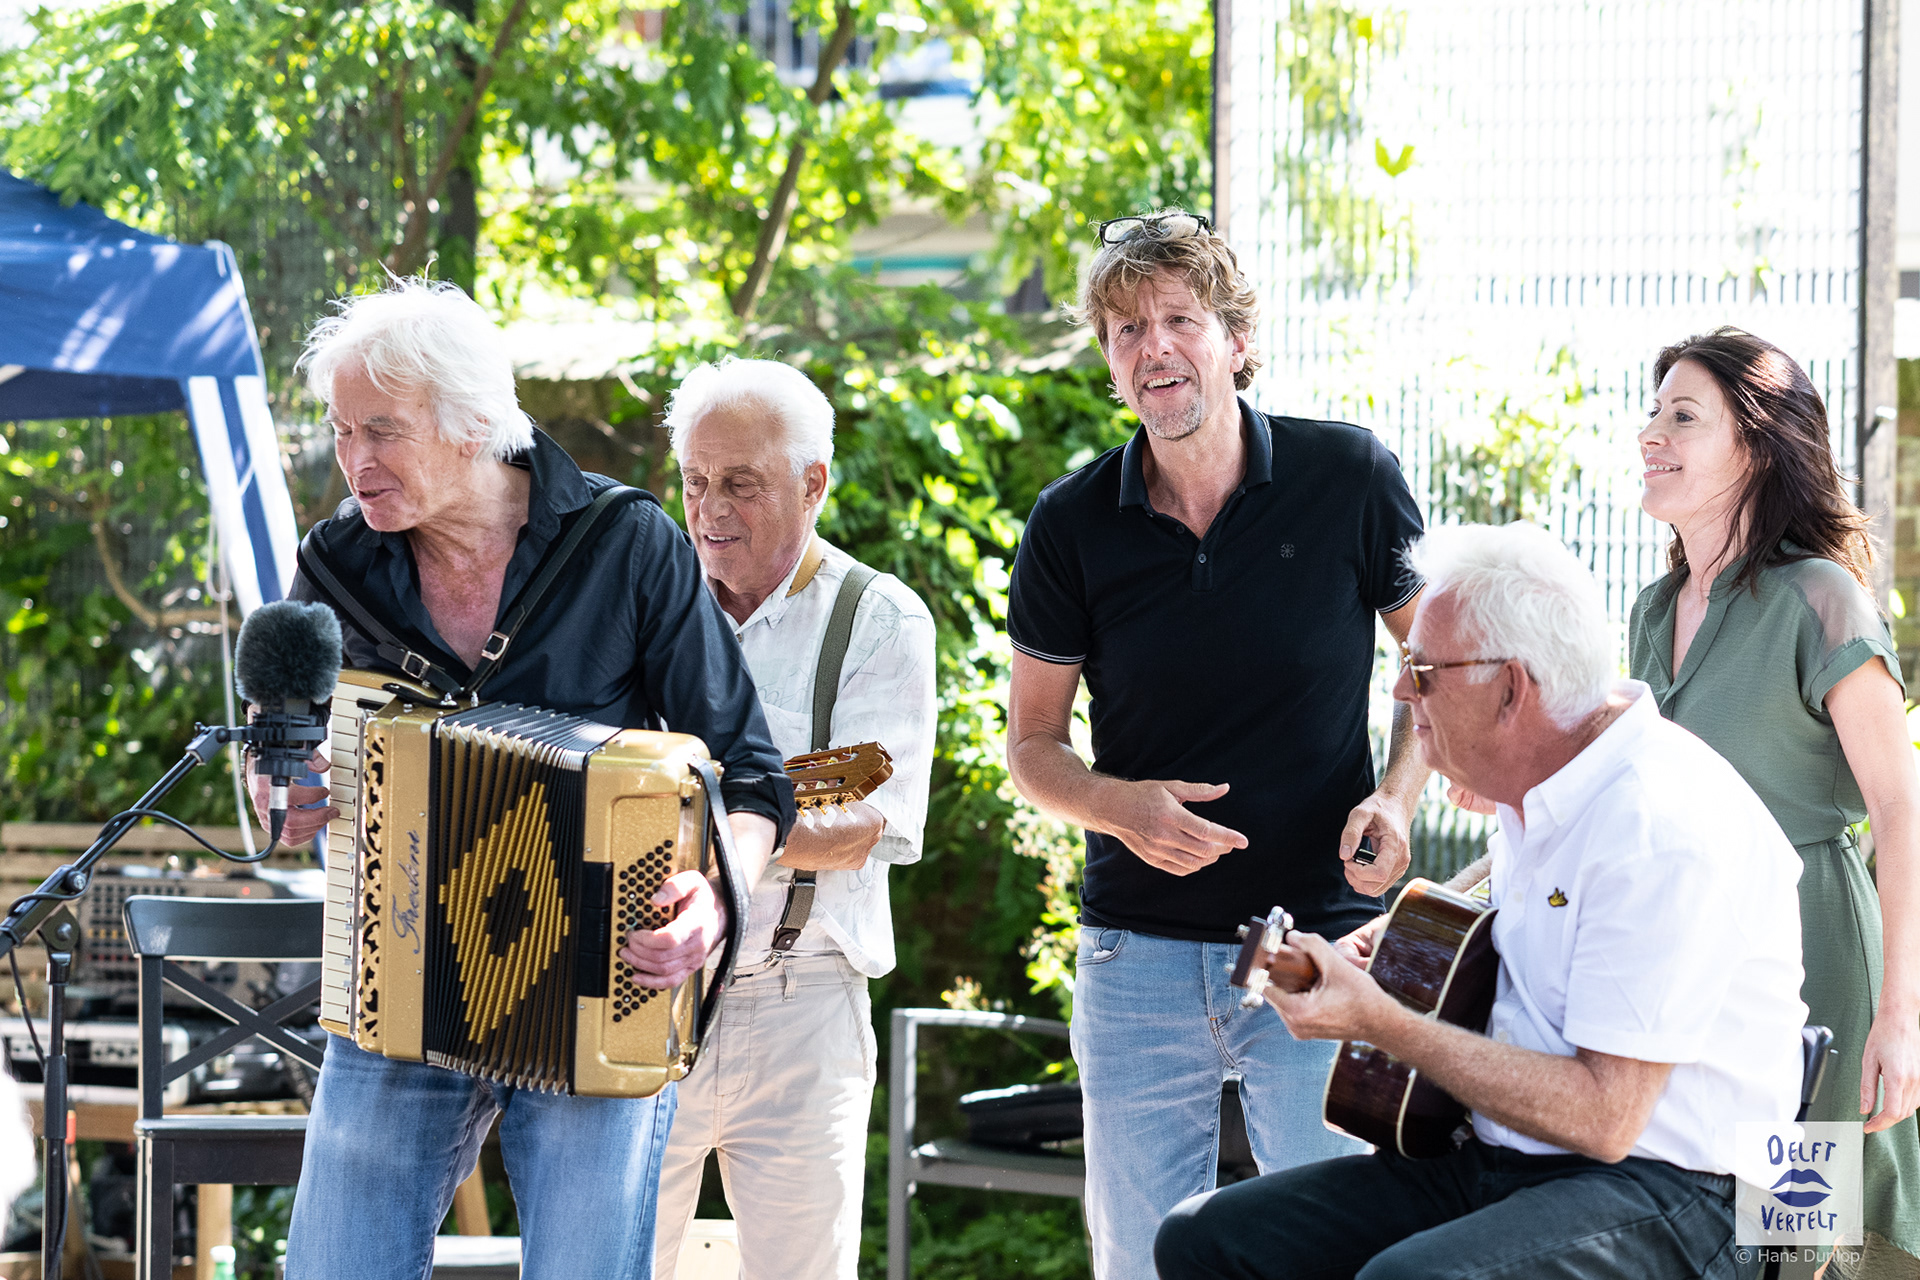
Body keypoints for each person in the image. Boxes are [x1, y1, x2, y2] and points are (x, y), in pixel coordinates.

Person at [255, 279, 794, 1280]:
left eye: (382, 430)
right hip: (402, 982)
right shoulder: (335, 566)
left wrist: (716, 895)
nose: (354, 463)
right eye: (339, 432)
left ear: (470, 425)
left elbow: (755, 780)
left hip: (601, 979)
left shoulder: (625, 545)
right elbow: (284, 761)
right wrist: (283, 791)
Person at [1155, 521, 1808, 1280]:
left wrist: (1383, 1023)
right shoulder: (1542, 784)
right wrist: (1399, 944)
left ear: (1511, 688)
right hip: (1508, 1157)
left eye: (1424, 671)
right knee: (1204, 1238)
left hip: (1689, 1194)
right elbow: (1519, 920)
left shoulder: (1659, 825)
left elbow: (1604, 1116)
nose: (1402, 691)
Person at [1004, 209, 1429, 1279]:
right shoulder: (1070, 523)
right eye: (1125, 328)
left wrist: (1399, 797)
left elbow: (1438, 671)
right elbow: (1033, 745)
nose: (1153, 346)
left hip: (1322, 945)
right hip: (1134, 956)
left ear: (1236, 337)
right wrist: (1119, 806)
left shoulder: (1351, 477)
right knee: (1141, 1260)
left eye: (1180, 319)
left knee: (1342, 1254)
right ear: (1108, 360)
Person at [1626, 328, 1920, 1278]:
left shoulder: (1821, 600)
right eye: (1652, 411)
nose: (1650, 433)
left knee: (1798, 1245)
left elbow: (1902, 811)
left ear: (1756, 448)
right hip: (1691, 974)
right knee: (1709, 1237)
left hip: (1814, 975)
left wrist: (1901, 1016)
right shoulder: (1648, 611)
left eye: (1684, 415)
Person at [651, 358, 936, 1280]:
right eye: (695, 482)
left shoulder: (880, 620)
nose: (709, 509)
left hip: (801, 1002)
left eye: (740, 483)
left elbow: (868, 823)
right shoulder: (646, 607)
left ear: (815, 483)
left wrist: (715, 829)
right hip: (645, 988)